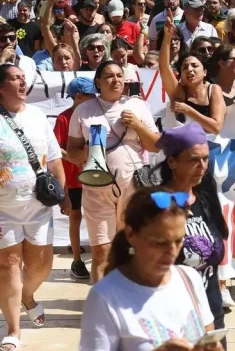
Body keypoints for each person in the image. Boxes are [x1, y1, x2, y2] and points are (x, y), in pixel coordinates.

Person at [79, 187, 224, 351]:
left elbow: (208, 335)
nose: (172, 252)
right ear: (131, 235)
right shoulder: (105, 298)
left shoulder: (190, 278)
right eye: (160, 243)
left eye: (178, 241)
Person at [66, 61, 161, 283]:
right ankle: (101, 305)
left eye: (119, 75)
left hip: (133, 187)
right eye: (109, 76)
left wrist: (137, 126)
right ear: (98, 82)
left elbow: (156, 145)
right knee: (101, 250)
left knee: (133, 248)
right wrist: (87, 153)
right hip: (96, 188)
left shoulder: (138, 106)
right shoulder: (83, 111)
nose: (116, 80)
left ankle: (129, 300)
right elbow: (71, 152)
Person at [0, 65, 65, 351]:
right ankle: (13, 330)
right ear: (1, 87)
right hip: (3, 209)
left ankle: (26, 295)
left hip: (38, 207)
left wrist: (62, 194)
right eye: (15, 78)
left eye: (23, 78)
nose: (22, 82)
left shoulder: (38, 116)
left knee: (41, 265)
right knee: (8, 265)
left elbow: (53, 159)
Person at [155, 123, 230, 347]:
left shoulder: (206, 198)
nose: (202, 166)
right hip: (173, 323)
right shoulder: (157, 204)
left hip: (212, 316)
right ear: (172, 162)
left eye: (206, 159)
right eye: (194, 160)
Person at [54, 78, 97, 281]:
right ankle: (77, 260)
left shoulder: (96, 114)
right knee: (75, 217)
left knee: (98, 217)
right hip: (73, 178)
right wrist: (76, 158)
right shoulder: (63, 118)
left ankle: (101, 258)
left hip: (96, 177)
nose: (95, 97)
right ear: (79, 96)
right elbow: (56, 148)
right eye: (91, 94)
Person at [159, 15, 225, 134]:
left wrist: (188, 110)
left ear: (204, 72)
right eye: (184, 67)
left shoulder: (214, 90)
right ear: (181, 76)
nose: (189, 69)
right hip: (186, 149)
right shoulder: (179, 92)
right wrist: (167, 36)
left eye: (194, 66)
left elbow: (216, 127)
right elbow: (164, 68)